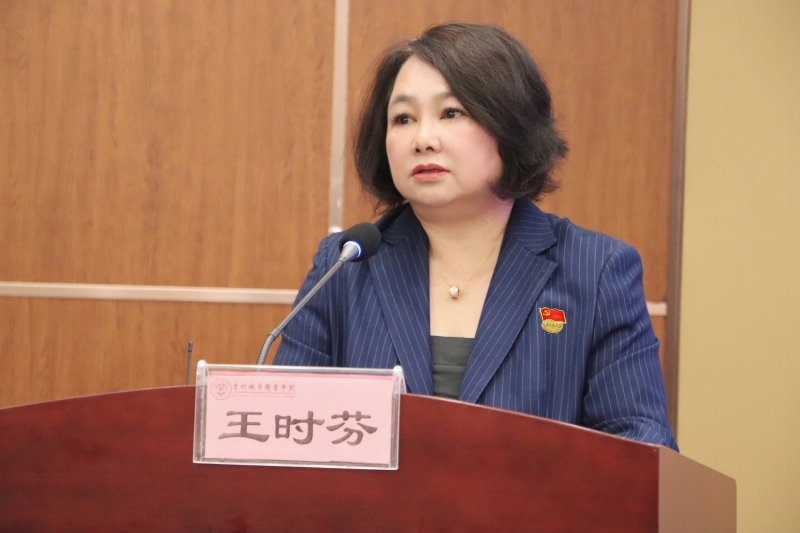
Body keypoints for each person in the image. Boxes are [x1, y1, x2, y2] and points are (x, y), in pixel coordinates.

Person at [274, 23, 677, 450]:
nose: (423, 140)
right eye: (403, 118)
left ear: (509, 123)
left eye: (451, 113)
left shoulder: (596, 271)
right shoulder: (345, 266)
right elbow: (283, 433)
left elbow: (641, 447)